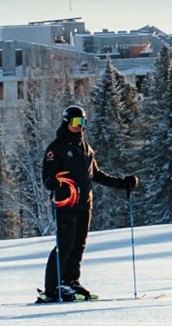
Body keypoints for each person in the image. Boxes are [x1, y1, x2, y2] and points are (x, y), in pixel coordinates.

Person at [39, 105, 139, 302]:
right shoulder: (56, 148)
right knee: (64, 244)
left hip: (85, 203)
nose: (79, 127)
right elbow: (48, 178)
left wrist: (122, 183)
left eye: (83, 123)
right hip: (66, 202)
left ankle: (71, 281)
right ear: (67, 122)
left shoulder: (85, 148)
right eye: (76, 123)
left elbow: (96, 175)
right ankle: (52, 287)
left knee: (79, 245)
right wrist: (56, 183)